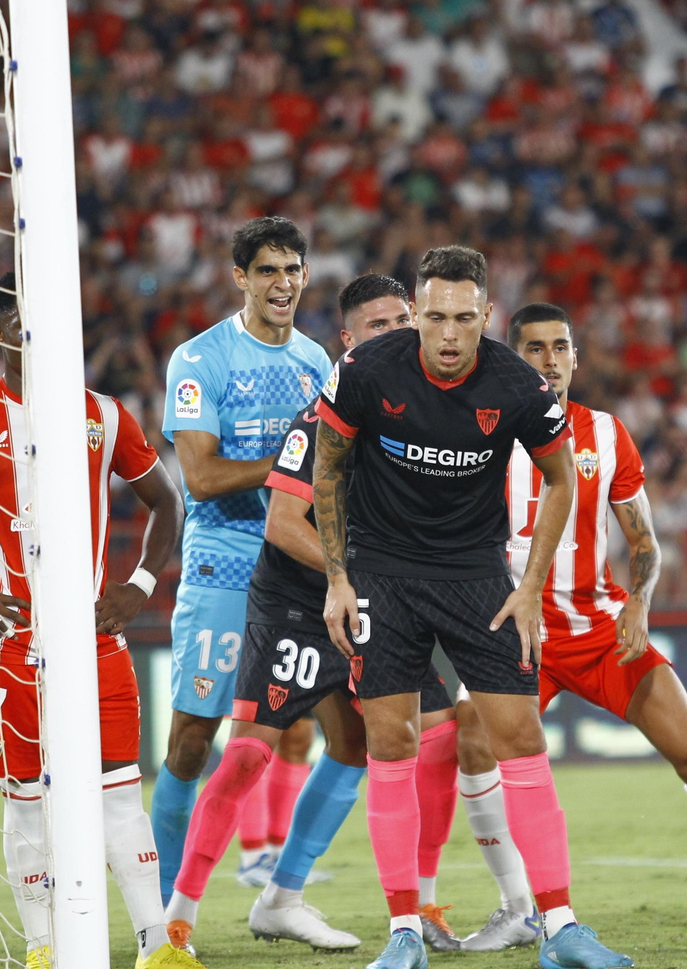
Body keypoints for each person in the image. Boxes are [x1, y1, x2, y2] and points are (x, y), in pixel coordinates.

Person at [315, 246, 631, 969]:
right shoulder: (367, 371)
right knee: (391, 744)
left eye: (464, 318)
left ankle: (560, 928)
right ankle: (403, 932)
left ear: (486, 316)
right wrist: (338, 578)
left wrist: (529, 586)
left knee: (519, 738)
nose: (449, 334)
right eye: (435, 317)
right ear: (416, 314)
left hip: (475, 576)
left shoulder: (516, 384)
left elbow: (561, 480)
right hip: (385, 574)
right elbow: (328, 468)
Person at [448, 303, 687, 950]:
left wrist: (640, 600)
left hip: (601, 628)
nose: (550, 361)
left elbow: (644, 542)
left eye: (560, 347)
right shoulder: (481, 437)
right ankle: (516, 907)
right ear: (513, 357)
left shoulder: (607, 435)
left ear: (577, 358)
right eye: (534, 349)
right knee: (470, 744)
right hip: (516, 632)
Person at [0, 273, 197, 969]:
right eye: (30, 322)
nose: (49, 333)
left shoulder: (102, 415)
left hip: (94, 640)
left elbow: (167, 502)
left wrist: (139, 584)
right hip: (6, 646)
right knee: (26, 801)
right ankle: (43, 949)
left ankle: (156, 947)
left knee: (118, 791)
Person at [164, 274, 461, 953]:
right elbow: (280, 521)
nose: (397, 334)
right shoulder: (328, 415)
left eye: (403, 321)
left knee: (398, 742)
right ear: (349, 344)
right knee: (245, 756)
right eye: (378, 326)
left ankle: (290, 897)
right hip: (299, 600)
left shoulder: (423, 417)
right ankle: (176, 921)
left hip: (366, 599)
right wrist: (343, 578)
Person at [152, 217, 332, 902]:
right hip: (223, 566)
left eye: (292, 269)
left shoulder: (316, 363)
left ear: (305, 275)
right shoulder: (199, 360)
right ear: (240, 279)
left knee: (305, 728)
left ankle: (278, 885)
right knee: (194, 740)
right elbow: (200, 477)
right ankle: (163, 914)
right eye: (267, 271)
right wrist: (293, 469)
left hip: (294, 568)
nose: (282, 283)